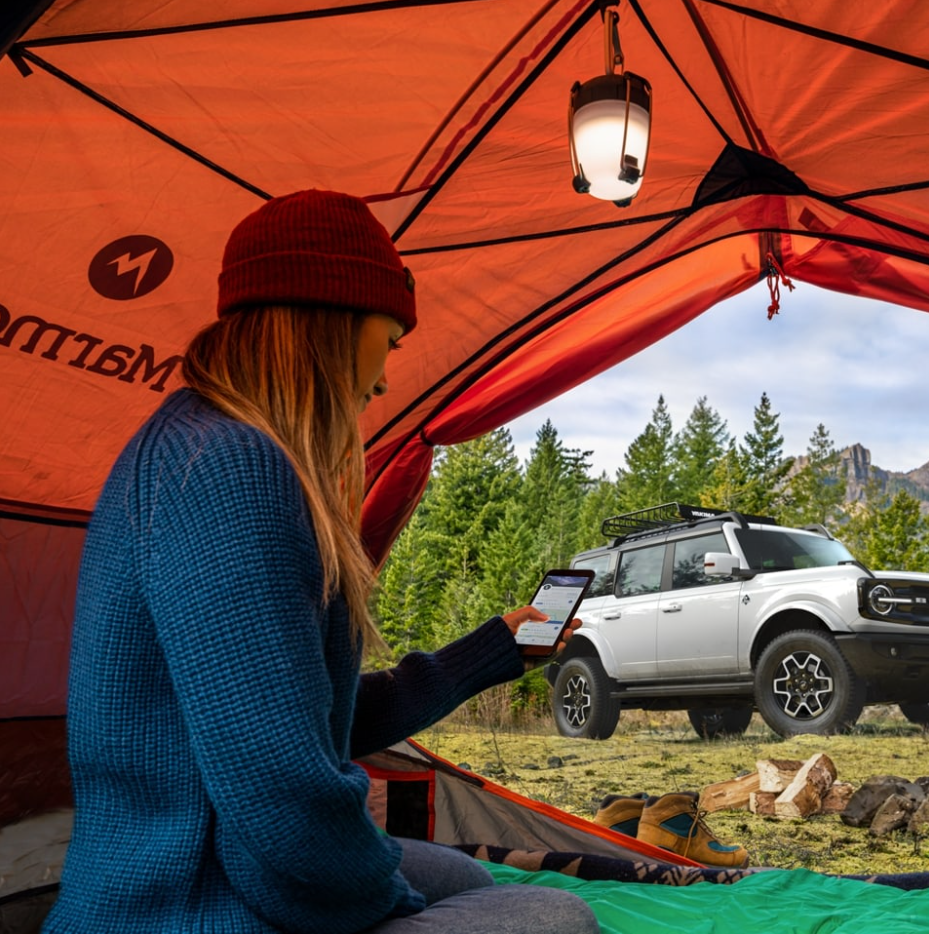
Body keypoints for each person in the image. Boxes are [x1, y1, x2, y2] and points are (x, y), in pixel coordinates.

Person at [41, 190, 600, 934]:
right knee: (553, 917)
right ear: (333, 320)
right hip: (187, 901)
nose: (383, 381)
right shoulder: (230, 469)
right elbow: (282, 796)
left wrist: (486, 654)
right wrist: (385, 908)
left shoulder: (195, 441)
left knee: (463, 875)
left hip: (191, 864)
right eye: (390, 342)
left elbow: (301, 722)